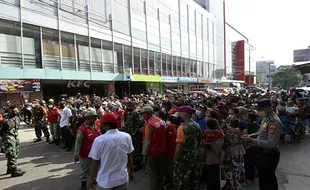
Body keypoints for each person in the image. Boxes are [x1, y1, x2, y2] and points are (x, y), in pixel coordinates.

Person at [242, 99, 282, 190]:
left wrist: (252, 140)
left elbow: (272, 143)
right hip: (262, 153)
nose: (259, 112)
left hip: (269, 154)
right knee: (263, 179)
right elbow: (261, 132)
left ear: (268, 108)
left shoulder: (273, 122)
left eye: (260, 109)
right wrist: (250, 135)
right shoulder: (266, 119)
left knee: (268, 180)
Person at [88, 112, 134, 190]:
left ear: (106, 125)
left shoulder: (99, 140)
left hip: (106, 181)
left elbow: (95, 163)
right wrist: (131, 172)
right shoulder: (127, 136)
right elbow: (129, 158)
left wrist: (91, 179)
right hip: (122, 179)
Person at [174, 106, 203, 190]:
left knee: (183, 183)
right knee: (194, 182)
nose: (179, 115)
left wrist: (176, 159)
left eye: (180, 113)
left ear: (185, 114)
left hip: (185, 159)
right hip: (196, 158)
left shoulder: (182, 128)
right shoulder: (196, 125)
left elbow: (179, 148)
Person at [74, 108, 101, 190]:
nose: (94, 119)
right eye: (92, 117)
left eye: (95, 117)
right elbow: (78, 142)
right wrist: (76, 154)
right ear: (87, 118)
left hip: (96, 153)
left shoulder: (97, 125)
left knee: (96, 167)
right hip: (86, 153)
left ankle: (94, 180)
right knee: (85, 170)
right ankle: (83, 185)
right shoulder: (82, 129)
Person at [141, 105, 167, 190]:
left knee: (153, 174)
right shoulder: (161, 121)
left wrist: (144, 155)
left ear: (148, 114)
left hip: (153, 152)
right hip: (163, 150)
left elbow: (147, 141)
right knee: (160, 172)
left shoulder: (149, 125)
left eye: (143, 113)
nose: (142, 116)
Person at [0, 105, 26, 177]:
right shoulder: (5, 119)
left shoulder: (17, 118)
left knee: (16, 152)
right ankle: (14, 171)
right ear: (10, 110)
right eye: (14, 110)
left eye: (16, 110)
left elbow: (16, 128)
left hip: (15, 136)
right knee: (11, 153)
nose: (15, 111)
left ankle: (10, 168)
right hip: (8, 137)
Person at [202, 118, 225, 190]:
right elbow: (222, 151)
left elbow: (203, 143)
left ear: (207, 126)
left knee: (209, 180)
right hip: (216, 160)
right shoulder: (219, 134)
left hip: (207, 160)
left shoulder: (205, 132)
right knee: (216, 179)